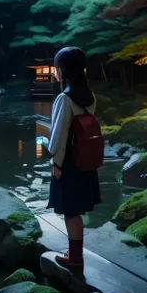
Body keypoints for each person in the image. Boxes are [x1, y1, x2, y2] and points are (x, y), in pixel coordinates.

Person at [47, 46, 102, 270]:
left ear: (64, 70)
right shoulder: (89, 97)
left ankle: (75, 258)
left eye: (57, 67)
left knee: (70, 211)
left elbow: (58, 135)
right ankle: (75, 253)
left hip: (68, 161)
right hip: (86, 158)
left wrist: (55, 163)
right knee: (76, 210)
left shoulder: (64, 98)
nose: (55, 72)